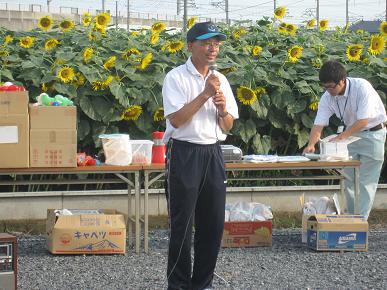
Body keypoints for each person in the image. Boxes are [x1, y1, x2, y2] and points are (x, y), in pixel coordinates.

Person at [162, 21, 239, 290]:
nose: (212, 48)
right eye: (207, 43)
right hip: (183, 152)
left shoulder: (222, 80)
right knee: (182, 226)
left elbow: (228, 125)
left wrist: (222, 110)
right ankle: (179, 285)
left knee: (214, 224)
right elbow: (177, 120)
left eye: (216, 44)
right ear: (190, 45)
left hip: (213, 153)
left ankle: (202, 284)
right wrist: (205, 94)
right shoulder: (175, 77)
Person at [303, 60, 386, 219]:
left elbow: (364, 120)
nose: (328, 91)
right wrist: (311, 144)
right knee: (348, 180)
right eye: (324, 87)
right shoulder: (327, 96)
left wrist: (341, 137)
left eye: (331, 86)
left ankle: (360, 221)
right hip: (350, 137)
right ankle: (350, 218)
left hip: (373, 133)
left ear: (343, 80)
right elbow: (318, 124)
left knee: (366, 182)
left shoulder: (362, 87)